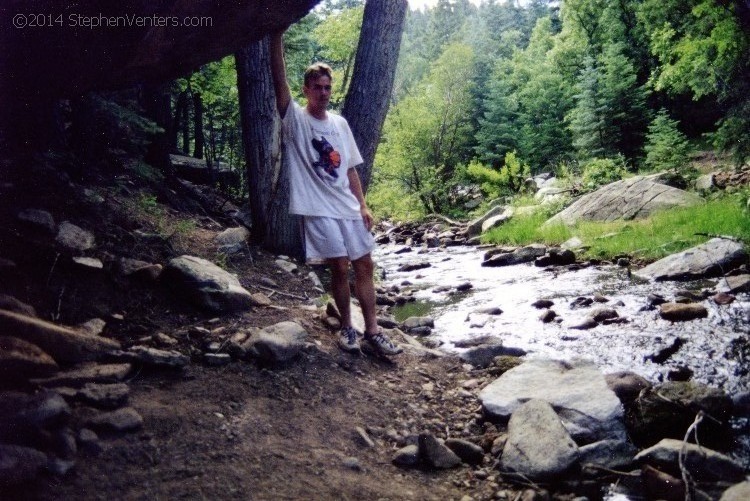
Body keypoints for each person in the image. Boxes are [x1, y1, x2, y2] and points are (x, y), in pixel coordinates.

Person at [269, 31, 402, 356]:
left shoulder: (340, 124)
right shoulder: (296, 122)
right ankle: (347, 327)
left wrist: (363, 205)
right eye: (317, 87)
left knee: (365, 265)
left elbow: (351, 169)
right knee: (340, 266)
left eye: (328, 87)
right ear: (306, 90)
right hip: (318, 208)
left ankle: (373, 331)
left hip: (347, 206)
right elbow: (279, 82)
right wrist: (276, 38)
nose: (324, 92)